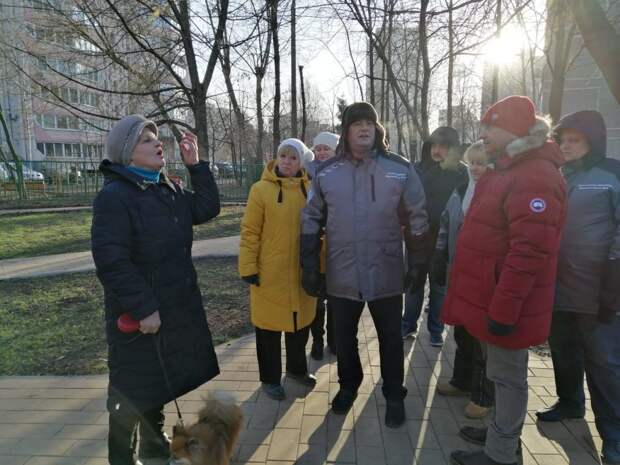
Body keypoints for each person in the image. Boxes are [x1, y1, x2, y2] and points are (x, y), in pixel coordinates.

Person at [443, 96, 567, 465]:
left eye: (489, 126)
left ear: (512, 129)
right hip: (493, 296)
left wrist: (504, 307)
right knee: (497, 373)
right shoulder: (508, 168)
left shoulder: (535, 175)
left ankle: (501, 453)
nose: (483, 134)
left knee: (509, 378)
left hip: (509, 302)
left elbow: (529, 251)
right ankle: (500, 431)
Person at [91, 115, 221, 465]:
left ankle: (154, 451)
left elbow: (207, 208)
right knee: (127, 398)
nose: (157, 142)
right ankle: (121, 458)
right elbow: (111, 261)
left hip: (167, 313)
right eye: (146, 140)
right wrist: (143, 307)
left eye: (156, 137)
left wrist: (196, 167)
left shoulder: (167, 188)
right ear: (127, 153)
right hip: (137, 318)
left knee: (157, 385)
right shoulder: (115, 197)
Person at [301, 102, 429, 428]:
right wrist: (309, 265)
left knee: (390, 338)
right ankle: (349, 384)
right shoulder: (327, 173)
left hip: (386, 269)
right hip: (342, 270)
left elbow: (417, 216)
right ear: (346, 130)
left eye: (369, 122)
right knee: (342, 337)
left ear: (377, 129)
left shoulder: (399, 168)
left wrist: (417, 262)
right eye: (356, 123)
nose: (364, 128)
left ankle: (394, 394)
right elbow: (311, 218)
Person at [535, 110, 620, 464]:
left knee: (604, 363)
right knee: (564, 350)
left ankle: (613, 435)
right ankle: (570, 403)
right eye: (563, 139)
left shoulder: (611, 176)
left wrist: (612, 282)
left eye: (576, 140)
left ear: (592, 141)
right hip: (559, 287)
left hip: (599, 288)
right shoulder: (556, 175)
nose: (567, 146)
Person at [239, 138, 318, 401]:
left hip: (302, 274)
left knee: (300, 327)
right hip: (269, 274)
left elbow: (322, 230)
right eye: (283, 156)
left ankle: (296, 370)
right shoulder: (260, 190)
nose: (286, 161)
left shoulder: (311, 189)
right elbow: (250, 231)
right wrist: (248, 266)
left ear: (301, 161)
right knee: (269, 331)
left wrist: (322, 267)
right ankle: (270, 379)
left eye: (293, 157)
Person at [433, 141, 495, 419]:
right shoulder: (460, 191)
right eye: (473, 162)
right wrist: (438, 256)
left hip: (486, 277)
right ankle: (461, 380)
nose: (476, 168)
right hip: (459, 272)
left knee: (483, 337)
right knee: (462, 329)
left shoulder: (499, 192)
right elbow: (446, 224)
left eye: (482, 163)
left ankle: (484, 394)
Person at [401, 126, 467, 346]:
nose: (437, 150)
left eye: (444, 146)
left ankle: (436, 329)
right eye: (434, 145)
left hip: (445, 240)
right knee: (414, 284)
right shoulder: (417, 169)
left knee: (439, 286)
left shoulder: (462, 173)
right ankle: (408, 324)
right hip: (417, 238)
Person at [305, 131, 340, 360]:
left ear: (336, 150)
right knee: (316, 300)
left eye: (326, 148)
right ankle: (317, 341)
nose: (322, 152)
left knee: (337, 300)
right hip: (314, 244)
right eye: (318, 149)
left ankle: (335, 340)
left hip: (338, 246)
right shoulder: (306, 174)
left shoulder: (344, 172)